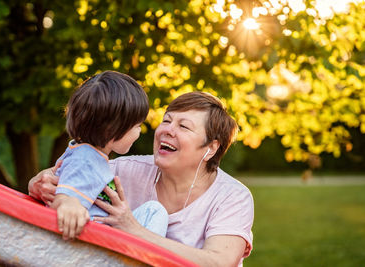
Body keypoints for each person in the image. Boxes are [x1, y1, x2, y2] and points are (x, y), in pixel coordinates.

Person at [29, 91, 254, 266]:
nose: (167, 130)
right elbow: (76, 169)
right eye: (166, 121)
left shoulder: (232, 197)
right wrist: (40, 182)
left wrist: (135, 230)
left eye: (183, 126)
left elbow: (218, 263)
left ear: (211, 148)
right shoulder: (127, 169)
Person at [49, 70, 168, 240]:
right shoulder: (86, 159)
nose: (140, 131)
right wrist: (69, 202)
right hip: (95, 240)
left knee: (153, 209)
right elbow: (65, 197)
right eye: (137, 126)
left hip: (103, 230)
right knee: (156, 212)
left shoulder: (85, 153)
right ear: (111, 129)